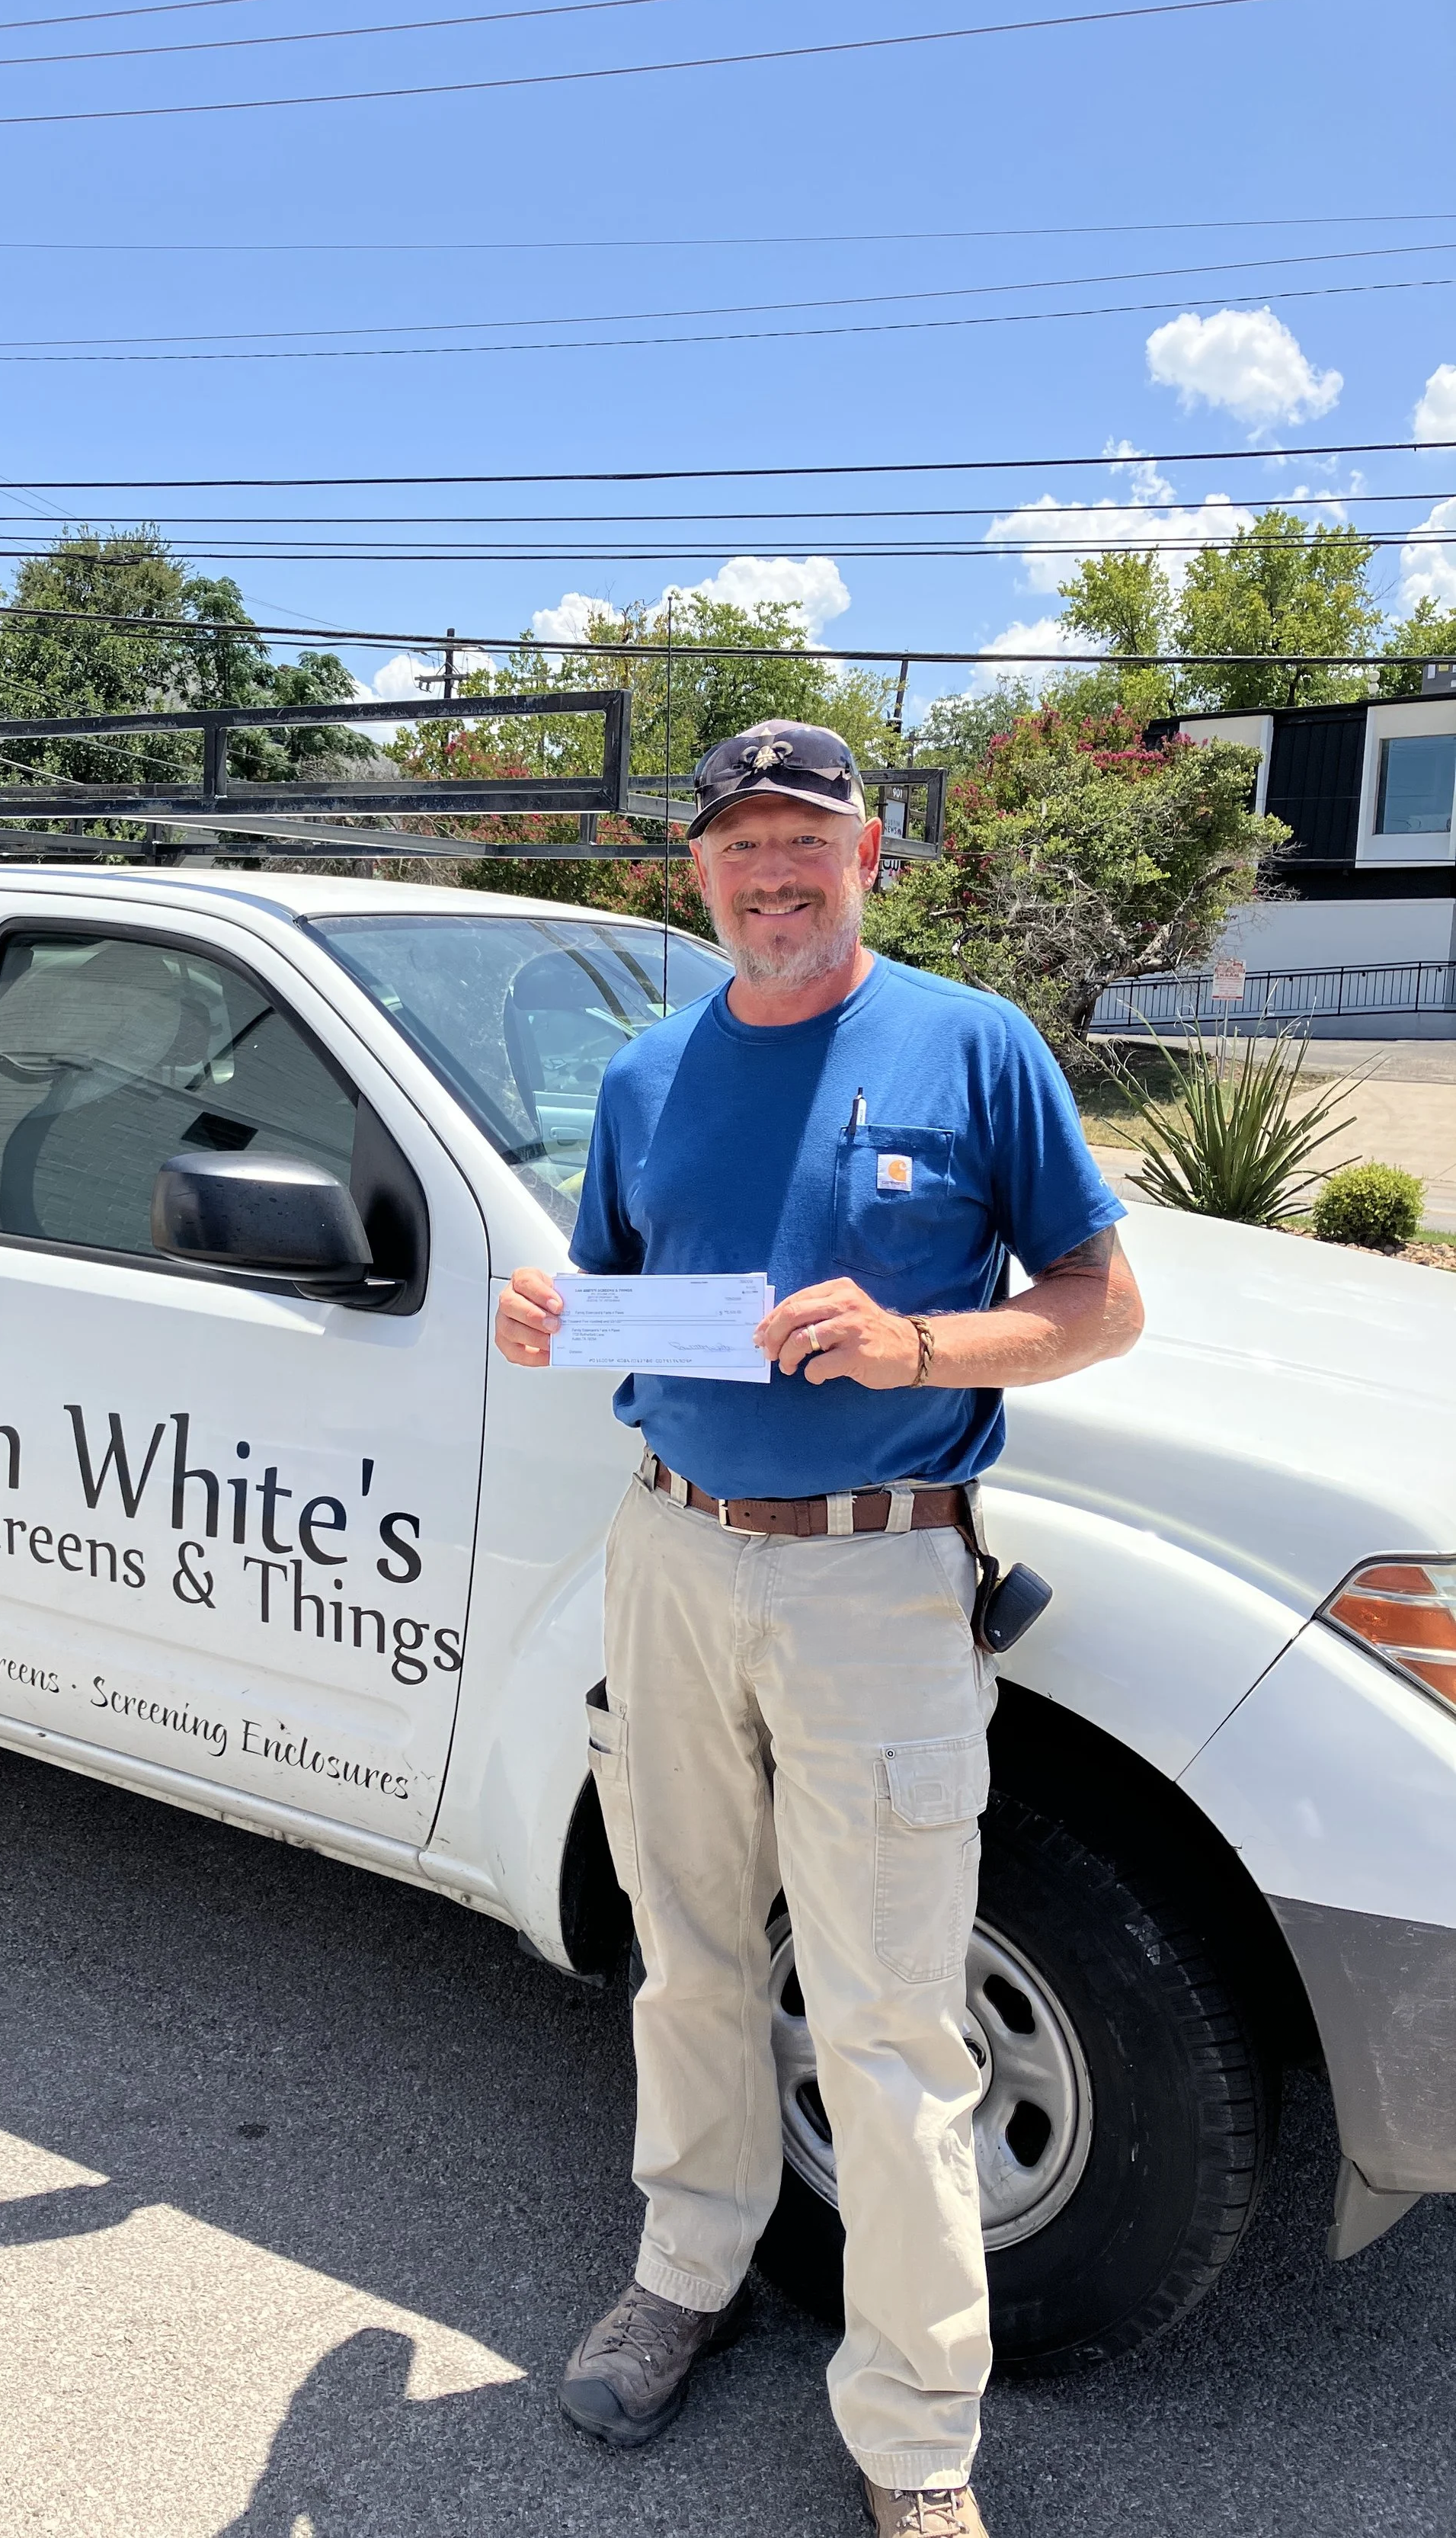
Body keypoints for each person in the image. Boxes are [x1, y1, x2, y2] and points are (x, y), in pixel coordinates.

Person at [493, 721, 1144, 2538]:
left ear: (869, 860)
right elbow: (616, 1291)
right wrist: (551, 1317)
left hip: (877, 1577)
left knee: (887, 2021)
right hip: (672, 1558)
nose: (770, 877)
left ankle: (917, 2434)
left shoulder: (969, 1045)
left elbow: (1098, 1302)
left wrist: (926, 1345)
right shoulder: (646, 1072)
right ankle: (684, 2273)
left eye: (806, 845)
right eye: (737, 849)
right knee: (688, 1951)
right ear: (691, 872)